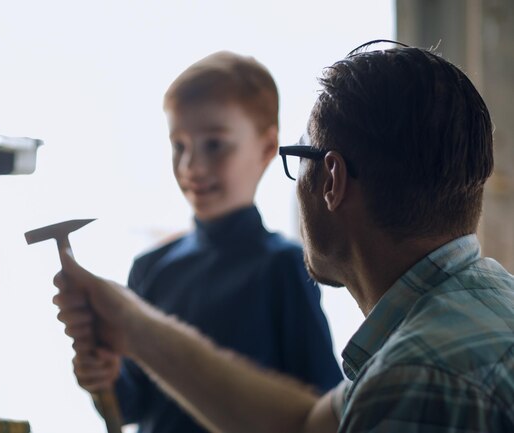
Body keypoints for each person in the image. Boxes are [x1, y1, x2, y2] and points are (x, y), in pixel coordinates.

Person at [53, 41, 514, 433]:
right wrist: (129, 328)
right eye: (179, 146)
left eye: (300, 154)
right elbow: (310, 423)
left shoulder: (410, 382)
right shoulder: (490, 302)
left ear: (331, 178)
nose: (192, 165)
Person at [71, 51, 341, 433]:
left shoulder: (284, 266)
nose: (191, 167)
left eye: (214, 145)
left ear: (266, 149)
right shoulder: (150, 267)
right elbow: (133, 405)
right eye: (179, 146)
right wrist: (105, 376)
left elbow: (321, 409)